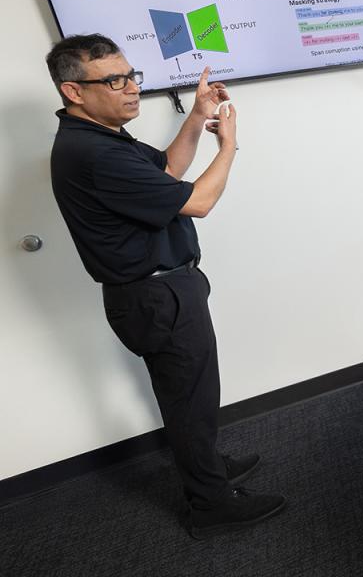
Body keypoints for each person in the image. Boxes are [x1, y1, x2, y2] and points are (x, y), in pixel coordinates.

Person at [47, 34, 285, 539]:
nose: (132, 89)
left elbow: (170, 171)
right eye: (115, 81)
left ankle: (208, 471)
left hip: (162, 290)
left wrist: (197, 116)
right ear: (74, 90)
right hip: (156, 296)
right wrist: (229, 145)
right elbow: (197, 200)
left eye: (132, 76)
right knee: (191, 400)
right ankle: (211, 504)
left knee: (190, 396)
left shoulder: (103, 135)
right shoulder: (92, 152)